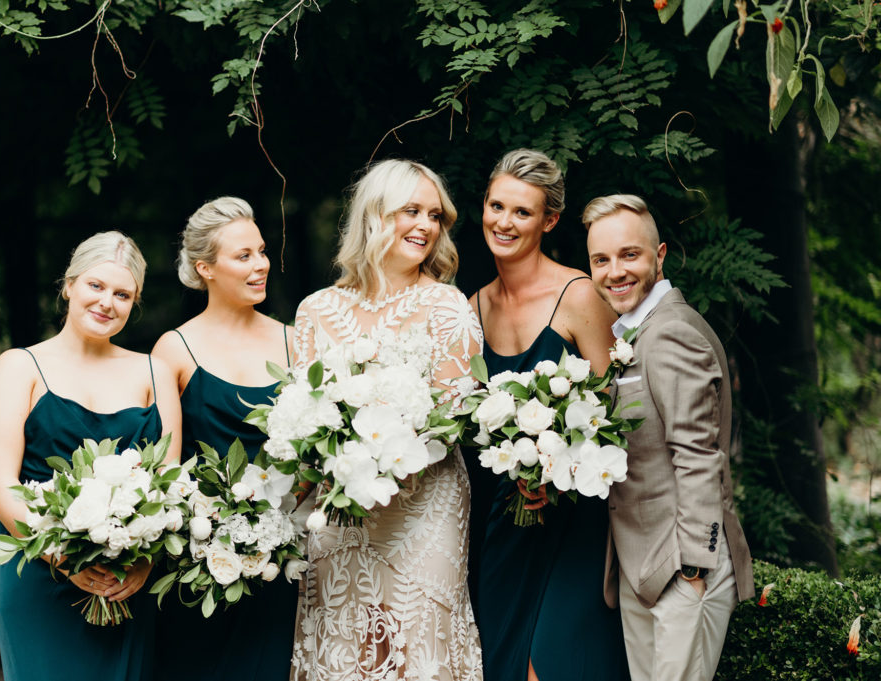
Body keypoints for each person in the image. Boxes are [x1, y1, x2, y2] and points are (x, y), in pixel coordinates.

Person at [290, 159, 484, 681]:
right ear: (374, 215)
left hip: (424, 505)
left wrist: (384, 457)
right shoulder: (315, 311)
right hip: (341, 510)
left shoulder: (448, 307)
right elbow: (303, 416)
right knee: (345, 647)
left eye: (435, 216)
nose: (426, 225)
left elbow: (453, 417)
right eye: (411, 211)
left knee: (415, 647)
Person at [0, 231, 182, 681]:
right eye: (96, 285)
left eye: (122, 294)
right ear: (69, 285)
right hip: (36, 571)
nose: (107, 302)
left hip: (125, 578)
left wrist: (145, 561)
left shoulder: (154, 372)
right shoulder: (19, 367)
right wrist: (66, 559)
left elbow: (170, 483)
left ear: (134, 303)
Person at [467, 149, 627, 681]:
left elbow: (618, 415)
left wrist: (560, 469)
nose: (504, 222)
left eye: (522, 212)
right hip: (502, 521)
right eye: (497, 206)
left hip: (574, 523)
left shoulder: (578, 294)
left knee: (551, 665)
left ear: (549, 221)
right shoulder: (472, 308)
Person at [584, 194, 754, 681]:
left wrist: (693, 571)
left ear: (659, 256)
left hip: (682, 571)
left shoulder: (671, 333)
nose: (615, 271)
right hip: (644, 570)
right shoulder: (635, 334)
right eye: (601, 260)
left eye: (629, 255)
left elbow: (698, 457)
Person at [151, 197, 297, 681]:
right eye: (243, 256)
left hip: (284, 561)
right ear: (205, 269)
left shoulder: (294, 341)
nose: (261, 265)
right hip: (201, 566)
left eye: (262, 251)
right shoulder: (174, 349)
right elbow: (165, 468)